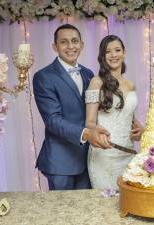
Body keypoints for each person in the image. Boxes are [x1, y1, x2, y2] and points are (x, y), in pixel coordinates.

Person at [33, 24, 111, 190]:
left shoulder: (88, 74)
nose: (70, 46)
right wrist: (87, 134)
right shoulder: (43, 76)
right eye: (64, 42)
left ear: (81, 45)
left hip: (88, 159)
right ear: (55, 46)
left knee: (86, 212)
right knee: (61, 213)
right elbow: (53, 120)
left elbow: (97, 109)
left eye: (75, 41)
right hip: (60, 162)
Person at [85, 35, 144, 190]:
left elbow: (129, 117)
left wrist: (142, 130)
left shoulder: (131, 85)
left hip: (129, 154)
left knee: (129, 202)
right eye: (108, 52)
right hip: (105, 153)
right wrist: (97, 131)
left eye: (117, 50)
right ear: (103, 56)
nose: (113, 55)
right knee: (105, 205)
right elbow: (89, 121)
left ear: (124, 52)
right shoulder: (96, 82)